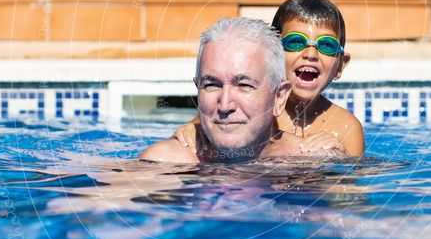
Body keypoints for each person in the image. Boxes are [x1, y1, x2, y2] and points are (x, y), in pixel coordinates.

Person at [173, 0, 365, 156]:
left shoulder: (346, 128)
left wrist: (339, 157)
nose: (310, 54)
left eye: (327, 46)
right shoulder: (249, 109)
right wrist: (190, 132)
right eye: (296, 42)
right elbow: (205, 124)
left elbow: (348, 193)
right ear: (272, 57)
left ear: (340, 65)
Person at [139, 17, 344, 163]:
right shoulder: (163, 164)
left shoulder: (315, 165)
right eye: (211, 84)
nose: (225, 104)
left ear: (279, 97)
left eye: (245, 85)